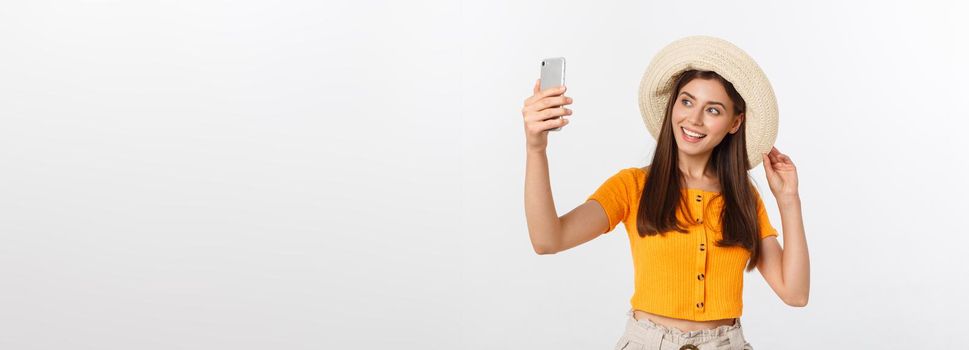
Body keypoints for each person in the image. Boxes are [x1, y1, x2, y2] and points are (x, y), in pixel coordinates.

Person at [521, 36, 810, 350]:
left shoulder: (743, 199)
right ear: (673, 105)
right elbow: (548, 240)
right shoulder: (632, 187)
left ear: (734, 122)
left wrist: (788, 200)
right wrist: (536, 148)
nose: (694, 119)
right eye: (686, 101)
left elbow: (795, 293)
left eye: (713, 110)